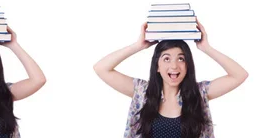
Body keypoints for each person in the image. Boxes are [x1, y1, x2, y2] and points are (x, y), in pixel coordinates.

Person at [93, 20, 248, 138]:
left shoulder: (199, 93)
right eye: (166, 59)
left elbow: (239, 75)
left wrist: (206, 48)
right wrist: (138, 46)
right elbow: (101, 68)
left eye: (181, 59)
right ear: (157, 67)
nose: (174, 66)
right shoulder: (141, 91)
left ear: (188, 65)